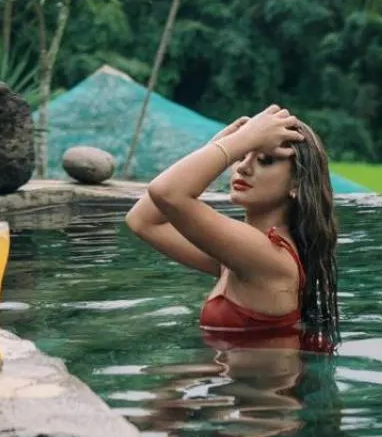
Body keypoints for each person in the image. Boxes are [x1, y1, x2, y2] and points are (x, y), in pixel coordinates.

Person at [125, 104, 339, 352]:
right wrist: (219, 144)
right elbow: (142, 220)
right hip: (236, 387)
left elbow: (168, 193)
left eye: (265, 160)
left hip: (253, 391)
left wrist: (243, 139)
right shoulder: (241, 255)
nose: (242, 167)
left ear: (297, 185)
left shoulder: (265, 254)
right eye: (242, 156)